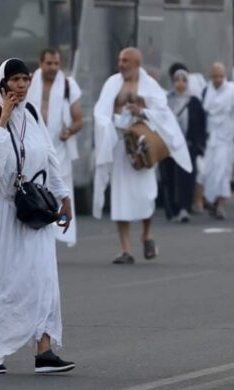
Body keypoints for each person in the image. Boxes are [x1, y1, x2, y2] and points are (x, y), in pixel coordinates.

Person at [0, 58, 75, 374]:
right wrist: (2, 122)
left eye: (25, 79)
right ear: (2, 84)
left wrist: (64, 196)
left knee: (44, 279)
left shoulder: (33, 115)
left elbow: (49, 157)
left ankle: (45, 350)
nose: (21, 85)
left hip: (34, 209)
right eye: (15, 80)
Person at [93, 47, 191, 264]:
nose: (121, 64)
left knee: (145, 194)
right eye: (119, 60)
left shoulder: (149, 86)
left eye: (126, 60)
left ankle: (147, 234)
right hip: (120, 143)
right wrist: (108, 125)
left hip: (142, 145)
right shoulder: (112, 83)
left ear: (137, 64)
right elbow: (100, 112)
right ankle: (126, 249)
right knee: (120, 196)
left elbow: (163, 113)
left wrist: (142, 112)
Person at [27, 48, 83, 247]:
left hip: (59, 146)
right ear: (41, 63)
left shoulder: (69, 85)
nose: (53, 67)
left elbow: (78, 119)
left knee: (61, 191)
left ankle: (61, 233)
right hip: (34, 143)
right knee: (36, 188)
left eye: (56, 64)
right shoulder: (28, 81)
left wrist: (69, 131)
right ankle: (39, 232)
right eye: (49, 63)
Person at [200, 62, 234, 220]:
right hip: (210, 138)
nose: (218, 79)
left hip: (226, 139)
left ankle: (220, 205)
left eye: (220, 76)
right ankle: (210, 201)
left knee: (222, 173)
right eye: (215, 76)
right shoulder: (207, 90)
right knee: (208, 172)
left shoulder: (232, 90)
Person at [162, 65, 205, 223]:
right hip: (169, 146)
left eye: (183, 80)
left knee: (186, 177)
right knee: (170, 176)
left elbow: (201, 124)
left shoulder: (194, 102)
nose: (180, 83)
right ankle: (172, 208)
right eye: (177, 80)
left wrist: (198, 144)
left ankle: (184, 208)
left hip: (188, 146)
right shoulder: (167, 100)